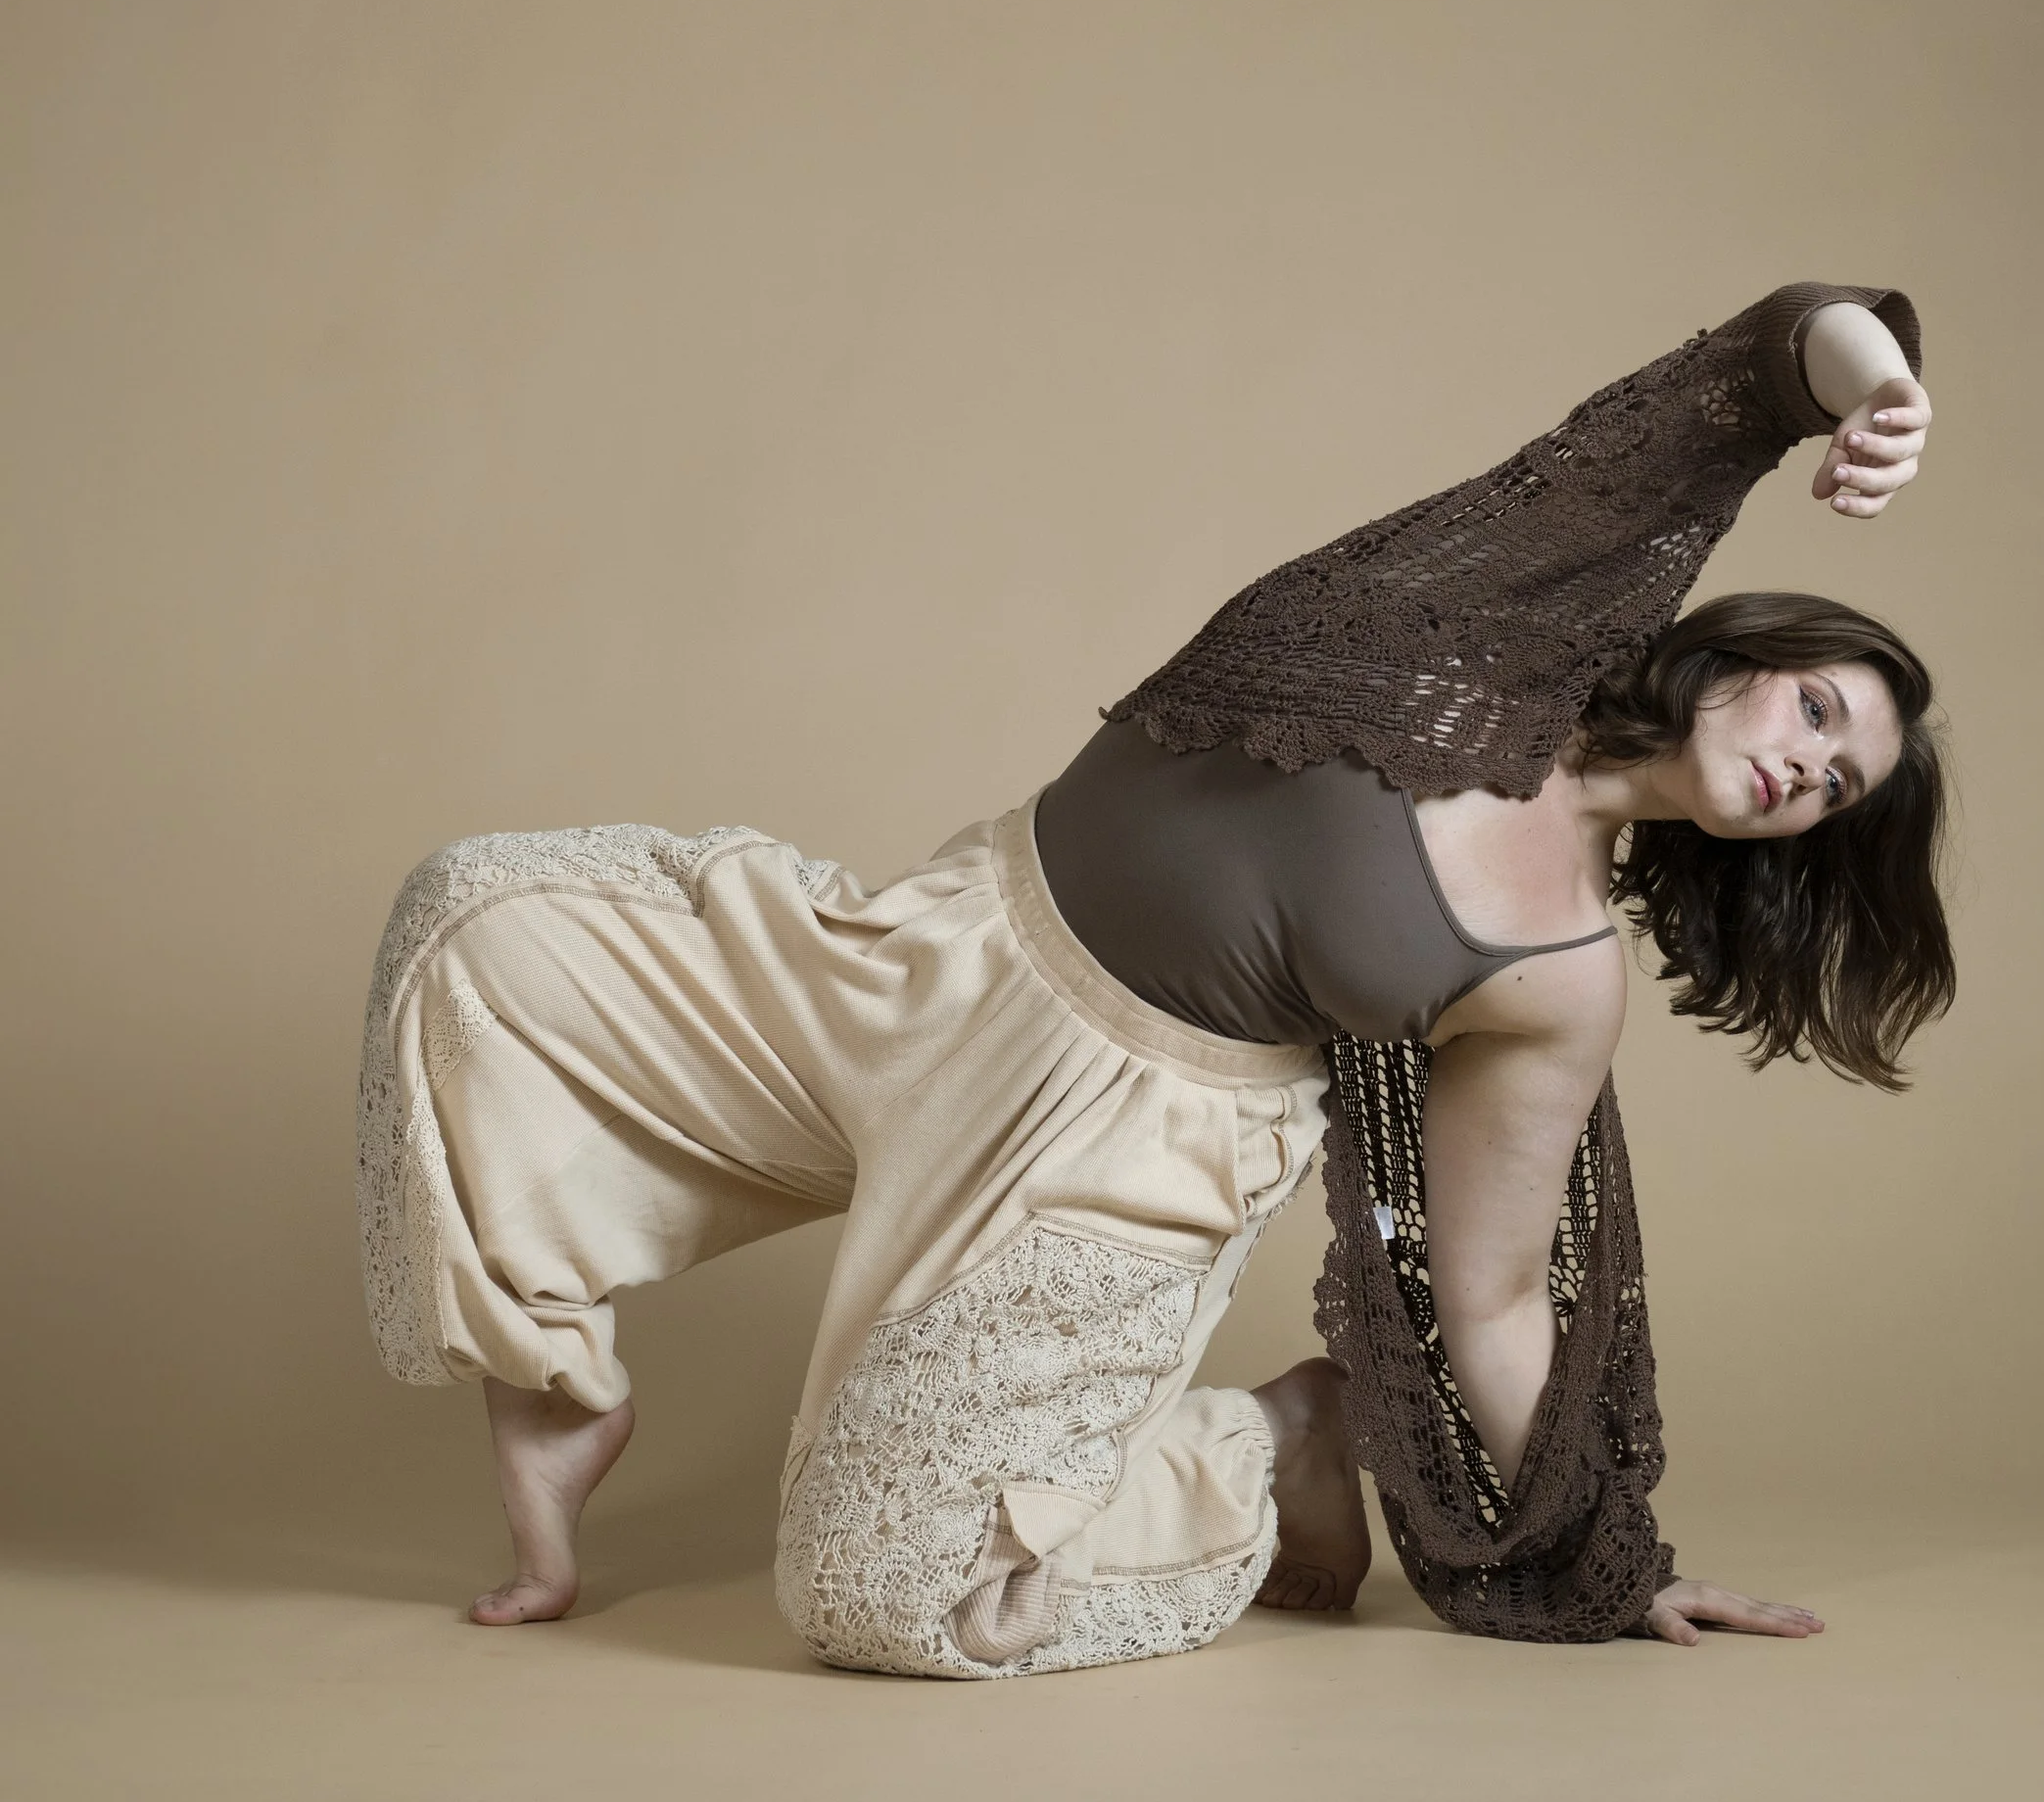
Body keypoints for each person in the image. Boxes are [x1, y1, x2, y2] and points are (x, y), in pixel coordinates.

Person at [357, 280, 1949, 1673]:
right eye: (1820, 714)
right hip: (930, 957)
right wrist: (1872, 387)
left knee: (886, 1600)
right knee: (480, 924)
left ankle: (1274, 1450)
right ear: (1743, 659)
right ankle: (556, 1387)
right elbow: (1755, 365)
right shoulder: (1478, 618)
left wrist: (1624, 1565)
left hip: (1119, 1156)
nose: (1813, 771)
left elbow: (1496, 1299)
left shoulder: (1559, 977)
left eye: (1844, 785)